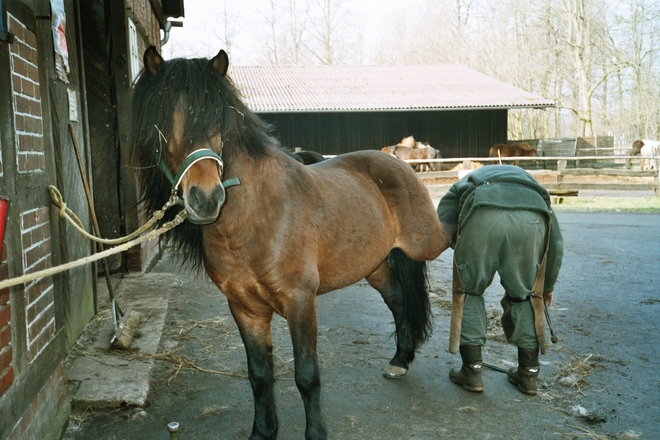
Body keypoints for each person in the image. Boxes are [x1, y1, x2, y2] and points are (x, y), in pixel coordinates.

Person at [436, 164, 563, 395]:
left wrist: (463, 248)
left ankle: (472, 372)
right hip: (531, 219)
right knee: (526, 296)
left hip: (482, 213)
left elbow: (445, 212)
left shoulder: (472, 177)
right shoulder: (532, 186)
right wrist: (547, 285)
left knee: (469, 291)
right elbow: (554, 242)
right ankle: (528, 375)